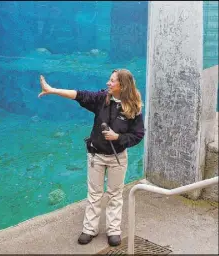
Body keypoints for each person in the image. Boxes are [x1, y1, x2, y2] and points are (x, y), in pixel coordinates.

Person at [38, 69, 145, 247]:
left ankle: (114, 230)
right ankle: (90, 229)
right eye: (109, 80)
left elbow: (138, 134)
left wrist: (118, 138)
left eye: (112, 81)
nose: (108, 83)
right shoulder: (101, 99)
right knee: (94, 194)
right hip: (96, 155)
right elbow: (80, 95)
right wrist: (52, 90)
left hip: (117, 157)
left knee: (115, 194)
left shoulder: (133, 107)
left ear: (122, 85)